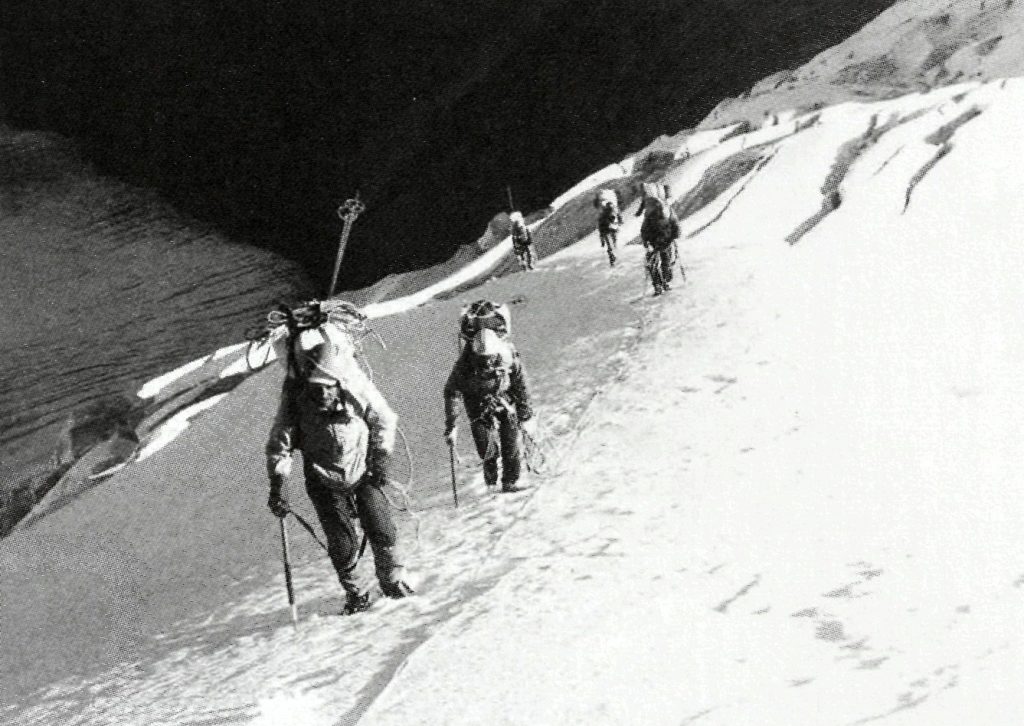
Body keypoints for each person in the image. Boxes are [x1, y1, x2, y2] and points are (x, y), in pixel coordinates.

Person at [265, 327, 413, 615]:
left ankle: (392, 581)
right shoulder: (296, 405)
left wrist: (380, 460)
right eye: (315, 389)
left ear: (338, 384)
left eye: (326, 388)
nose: (321, 395)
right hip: (323, 480)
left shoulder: (357, 391)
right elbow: (279, 445)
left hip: (364, 470)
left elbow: (385, 419)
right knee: (342, 543)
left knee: (382, 529)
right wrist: (277, 486)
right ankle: (357, 593)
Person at [444, 328, 533, 493]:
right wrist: (452, 424)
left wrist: (524, 412)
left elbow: (521, 384)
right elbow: (452, 392)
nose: (487, 363)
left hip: (503, 400)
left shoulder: (508, 358)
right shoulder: (464, 367)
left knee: (510, 441)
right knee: (486, 448)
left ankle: (510, 481)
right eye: (483, 359)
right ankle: (491, 482)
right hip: (477, 405)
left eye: (490, 358)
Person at [640, 197, 680, 296]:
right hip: (665, 243)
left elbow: (644, 230)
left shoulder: (651, 215)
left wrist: (646, 242)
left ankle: (660, 284)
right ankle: (663, 282)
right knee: (663, 263)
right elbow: (676, 227)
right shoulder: (667, 212)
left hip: (658, 244)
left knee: (653, 264)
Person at [596, 195, 622, 267]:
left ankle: (613, 256)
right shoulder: (603, 215)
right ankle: (612, 258)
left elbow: (618, 216)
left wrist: (619, 221)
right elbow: (600, 226)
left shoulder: (613, 210)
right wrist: (602, 238)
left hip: (611, 230)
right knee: (610, 246)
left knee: (613, 244)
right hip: (606, 231)